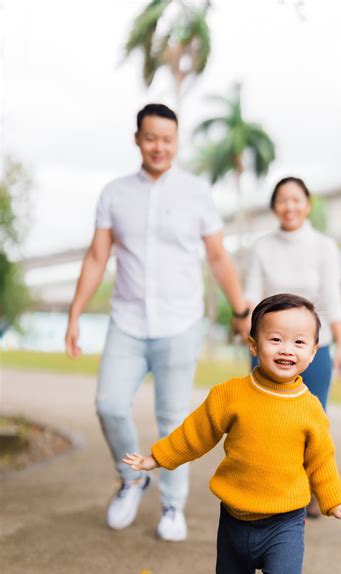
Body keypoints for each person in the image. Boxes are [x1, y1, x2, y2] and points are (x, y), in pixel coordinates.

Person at [123, 293, 341, 574]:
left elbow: (321, 462)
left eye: (298, 342)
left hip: (284, 522)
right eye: (275, 339)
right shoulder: (230, 394)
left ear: (313, 351)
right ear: (253, 345)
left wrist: (335, 501)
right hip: (235, 518)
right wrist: (157, 458)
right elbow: (196, 433)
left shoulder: (310, 410)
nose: (286, 349)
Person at [65, 103, 250, 541]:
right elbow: (97, 257)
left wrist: (242, 310)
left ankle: (172, 506)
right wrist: (74, 314)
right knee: (109, 404)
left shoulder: (197, 194)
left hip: (180, 322)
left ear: (177, 141)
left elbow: (218, 257)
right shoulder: (114, 193)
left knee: (171, 420)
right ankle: (131, 478)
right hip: (126, 320)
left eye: (167, 139)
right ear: (136, 139)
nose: (159, 147)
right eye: (151, 138)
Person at [245, 176, 341, 517]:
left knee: (313, 420)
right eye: (282, 200)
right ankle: (271, 489)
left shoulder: (324, 247)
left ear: (308, 204)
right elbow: (252, 296)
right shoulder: (262, 246)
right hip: (270, 346)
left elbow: (334, 300)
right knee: (267, 419)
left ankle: (311, 489)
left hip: (314, 348)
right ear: (274, 206)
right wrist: (248, 335)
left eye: (296, 199)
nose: (289, 206)